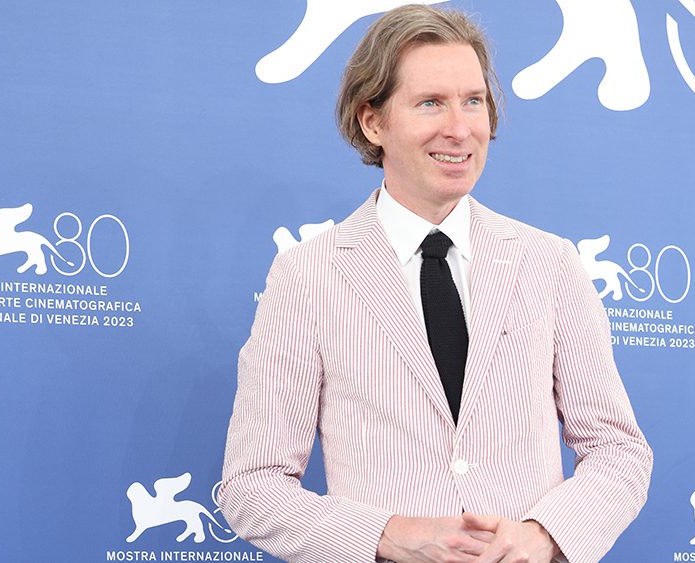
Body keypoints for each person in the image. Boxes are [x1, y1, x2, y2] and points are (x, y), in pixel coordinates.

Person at [219, 5, 652, 562]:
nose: (460, 127)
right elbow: (253, 484)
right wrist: (387, 534)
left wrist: (544, 535)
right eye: (431, 103)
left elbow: (619, 449)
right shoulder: (308, 276)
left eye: (473, 100)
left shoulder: (549, 263)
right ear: (372, 121)